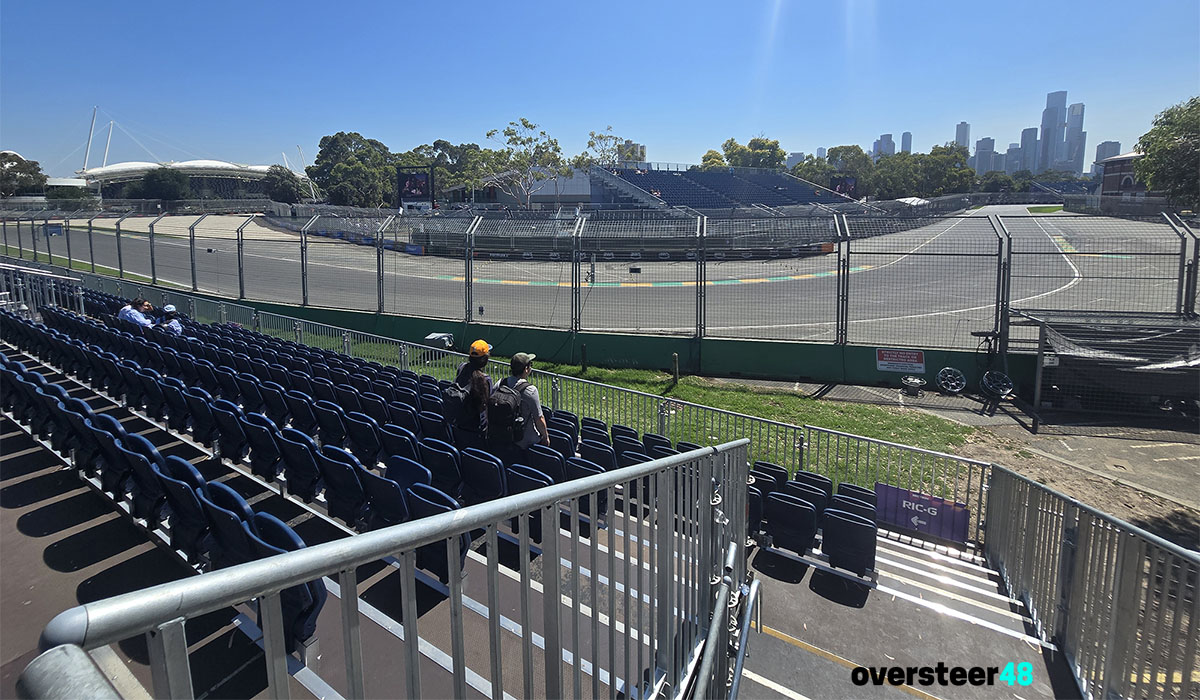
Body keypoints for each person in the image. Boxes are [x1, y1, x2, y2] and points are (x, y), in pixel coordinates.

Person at [490, 352, 549, 466]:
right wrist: (546, 437)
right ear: (526, 369)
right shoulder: (530, 391)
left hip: (502, 437)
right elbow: (539, 418)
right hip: (525, 443)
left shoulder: (500, 383)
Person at [451, 340, 493, 450]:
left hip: (459, 424)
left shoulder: (462, 368)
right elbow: (486, 405)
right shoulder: (485, 379)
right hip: (475, 430)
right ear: (485, 359)